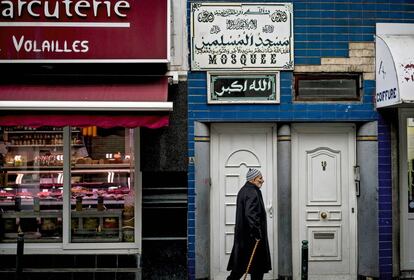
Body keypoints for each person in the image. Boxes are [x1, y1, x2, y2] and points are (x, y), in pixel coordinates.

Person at [227, 168, 271, 280]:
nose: (263, 180)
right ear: (253, 179)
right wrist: (257, 234)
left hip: (244, 238)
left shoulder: (243, 190)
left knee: (241, 268)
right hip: (251, 239)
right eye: (260, 178)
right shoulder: (252, 192)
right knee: (255, 269)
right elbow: (251, 214)